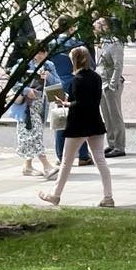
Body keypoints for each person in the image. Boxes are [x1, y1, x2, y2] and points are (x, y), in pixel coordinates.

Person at [39, 46, 114, 207]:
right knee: (100, 160)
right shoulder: (96, 77)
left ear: (74, 61)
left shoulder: (77, 80)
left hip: (78, 125)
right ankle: (108, 197)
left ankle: (55, 194)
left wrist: (65, 102)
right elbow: (90, 100)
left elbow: (78, 103)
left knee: (66, 162)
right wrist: (69, 100)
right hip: (95, 122)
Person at [9, 48, 61, 179]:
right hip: (26, 106)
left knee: (31, 134)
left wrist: (49, 77)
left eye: (43, 53)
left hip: (41, 105)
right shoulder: (22, 65)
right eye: (38, 52)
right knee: (35, 133)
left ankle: (27, 166)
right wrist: (26, 90)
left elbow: (59, 84)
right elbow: (13, 83)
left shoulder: (49, 65)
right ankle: (47, 166)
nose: (40, 55)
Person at [47, 18, 90, 167]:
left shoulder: (51, 44)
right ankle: (83, 155)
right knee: (80, 119)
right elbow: (90, 66)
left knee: (60, 119)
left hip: (57, 83)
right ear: (71, 27)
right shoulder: (77, 44)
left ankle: (60, 155)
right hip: (75, 82)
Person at [94, 17, 127, 158]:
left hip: (111, 84)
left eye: (98, 25)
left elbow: (118, 65)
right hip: (101, 82)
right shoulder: (101, 43)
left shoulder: (115, 43)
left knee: (115, 115)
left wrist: (113, 84)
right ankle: (112, 143)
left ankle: (119, 146)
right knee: (106, 116)